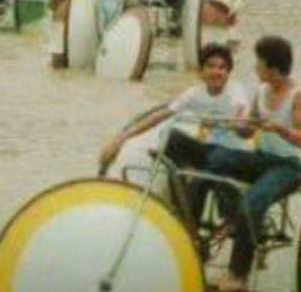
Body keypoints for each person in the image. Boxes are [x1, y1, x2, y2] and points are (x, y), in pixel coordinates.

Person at [98, 44, 254, 220]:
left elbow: (242, 112)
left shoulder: (235, 92)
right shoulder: (194, 94)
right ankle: (180, 197)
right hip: (207, 151)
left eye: (222, 67)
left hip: (229, 154)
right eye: (210, 66)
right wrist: (120, 139)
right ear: (200, 71)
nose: (216, 72)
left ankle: (230, 215)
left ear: (228, 72)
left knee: (215, 167)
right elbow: (160, 115)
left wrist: (239, 123)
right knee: (173, 137)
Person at [207, 36, 301, 292]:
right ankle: (234, 218)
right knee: (217, 158)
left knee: (253, 201)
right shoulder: (262, 91)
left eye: (258, 63)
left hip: (291, 165)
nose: (255, 68)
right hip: (264, 159)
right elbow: (247, 131)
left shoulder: (300, 95)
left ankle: (238, 275)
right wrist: (234, 124)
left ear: (272, 67)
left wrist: (278, 128)